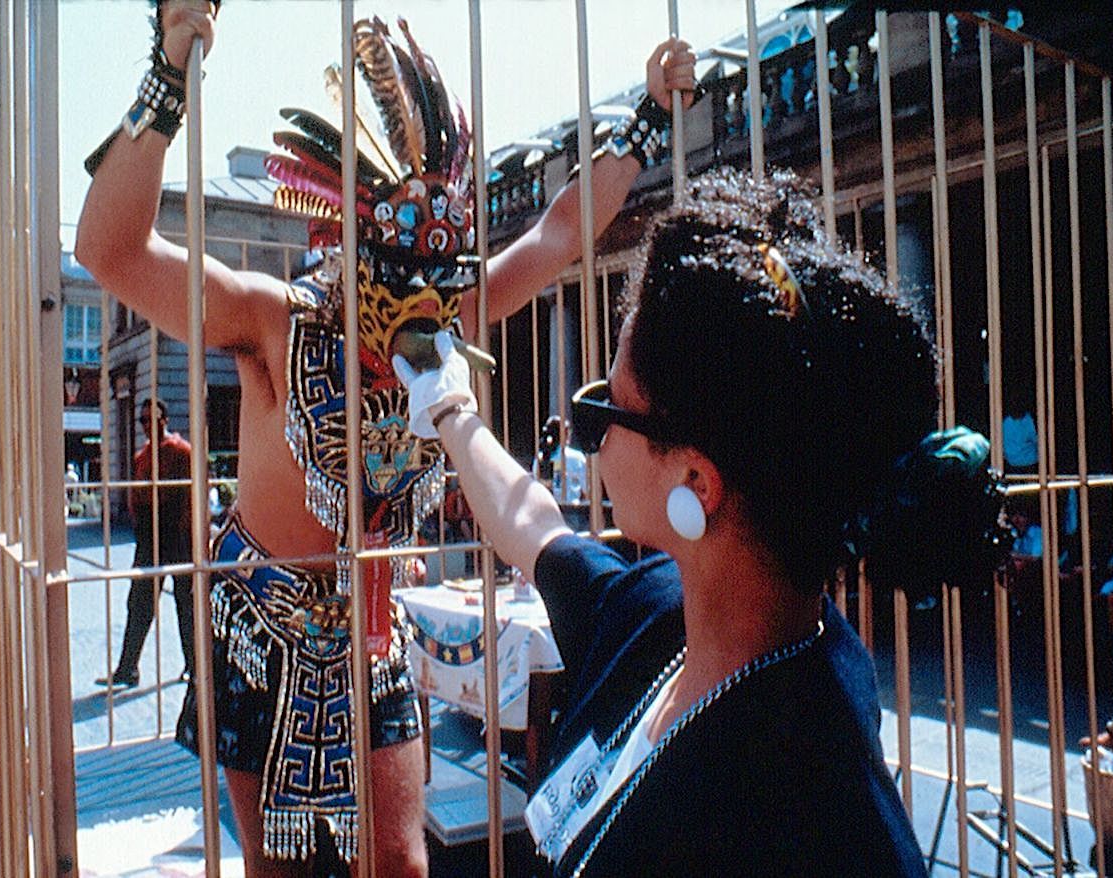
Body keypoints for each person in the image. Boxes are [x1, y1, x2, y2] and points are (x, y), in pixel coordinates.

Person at [74, 2, 695, 873]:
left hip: (373, 634)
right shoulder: (273, 320)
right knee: (279, 869)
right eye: (406, 266)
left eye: (445, 271)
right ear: (356, 246)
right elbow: (108, 250)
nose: (428, 299)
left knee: (401, 864)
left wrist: (647, 119)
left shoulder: (451, 319)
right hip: (262, 625)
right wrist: (169, 68)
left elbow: (559, 231)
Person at [394, 168, 1011, 876]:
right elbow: (530, 522)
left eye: (605, 411)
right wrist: (448, 407)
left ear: (696, 481)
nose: (588, 435)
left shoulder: (826, 820)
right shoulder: (665, 617)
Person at [97, 397, 196, 688]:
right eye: (141, 421)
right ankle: (128, 667)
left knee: (186, 604)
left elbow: (192, 496)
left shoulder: (181, 452)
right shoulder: (143, 456)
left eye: (151, 419)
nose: (145, 426)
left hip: (178, 534)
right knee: (139, 603)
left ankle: (193, 665)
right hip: (149, 536)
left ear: (164, 420)